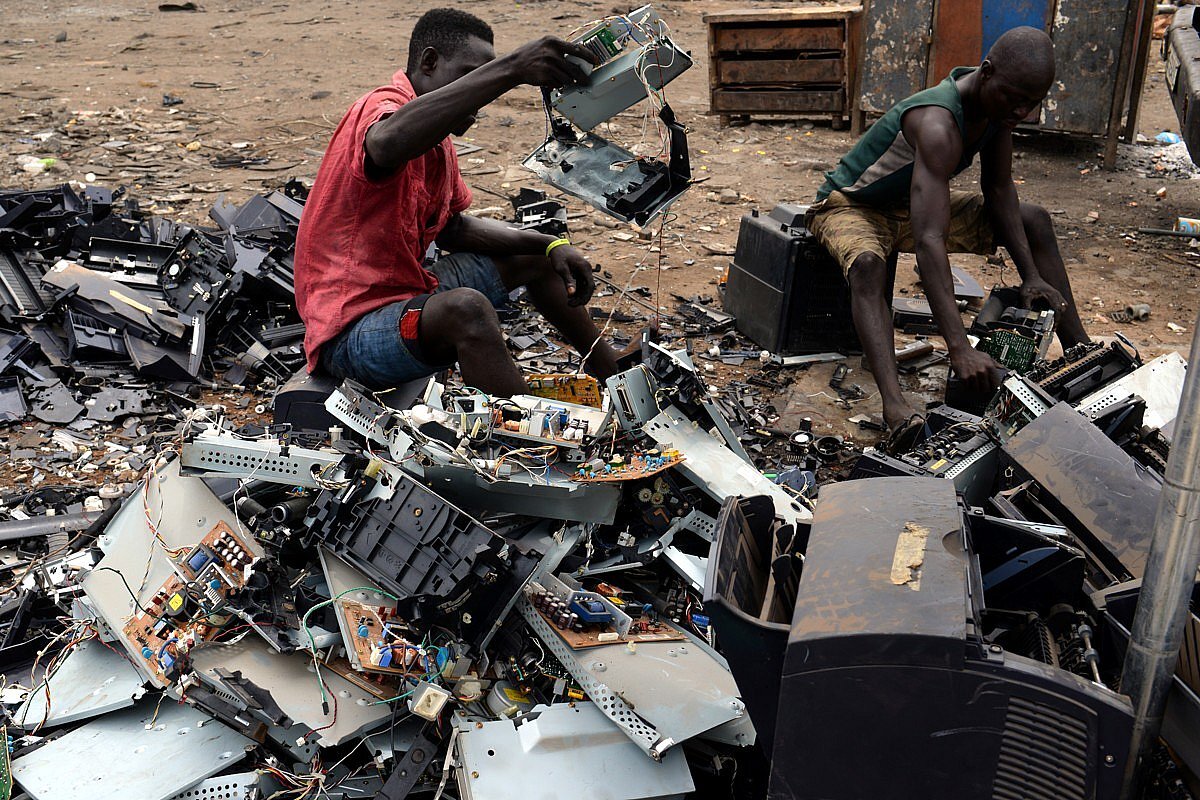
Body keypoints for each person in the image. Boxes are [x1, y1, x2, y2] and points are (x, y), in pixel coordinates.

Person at [295, 8, 627, 396]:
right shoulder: (382, 108)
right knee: (465, 310)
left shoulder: (438, 141)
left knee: (542, 256)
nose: (481, 96)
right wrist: (511, 68)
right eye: (473, 77)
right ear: (429, 62)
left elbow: (453, 228)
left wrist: (550, 244)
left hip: (407, 291)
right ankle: (525, 443)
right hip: (351, 332)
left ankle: (617, 377)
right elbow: (386, 143)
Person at [808, 26, 1090, 448]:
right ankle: (894, 405)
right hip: (851, 205)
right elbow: (929, 240)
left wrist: (1031, 274)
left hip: (909, 204)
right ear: (988, 72)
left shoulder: (997, 112)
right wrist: (958, 348)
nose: (1022, 111)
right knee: (869, 266)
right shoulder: (937, 122)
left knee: (1035, 220)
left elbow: (998, 190)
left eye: (1032, 103)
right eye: (1015, 98)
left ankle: (1082, 355)